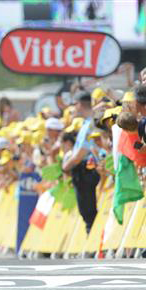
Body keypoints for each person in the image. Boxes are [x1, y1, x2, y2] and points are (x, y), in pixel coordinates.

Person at [62, 91, 100, 234]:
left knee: (89, 209)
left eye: (75, 104)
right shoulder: (86, 123)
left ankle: (93, 239)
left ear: (80, 104)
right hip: (81, 170)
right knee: (85, 209)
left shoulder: (90, 124)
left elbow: (81, 153)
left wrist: (66, 166)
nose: (74, 108)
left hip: (87, 169)